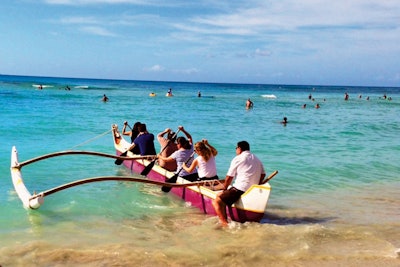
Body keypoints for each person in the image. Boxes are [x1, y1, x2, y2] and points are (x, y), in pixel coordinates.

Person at [212, 141, 265, 227]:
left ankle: (224, 223)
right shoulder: (256, 159)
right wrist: (257, 183)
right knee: (224, 195)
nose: (236, 150)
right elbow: (263, 174)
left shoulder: (238, 158)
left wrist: (224, 188)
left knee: (217, 200)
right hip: (252, 190)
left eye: (236, 148)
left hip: (240, 189)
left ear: (239, 149)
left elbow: (229, 176)